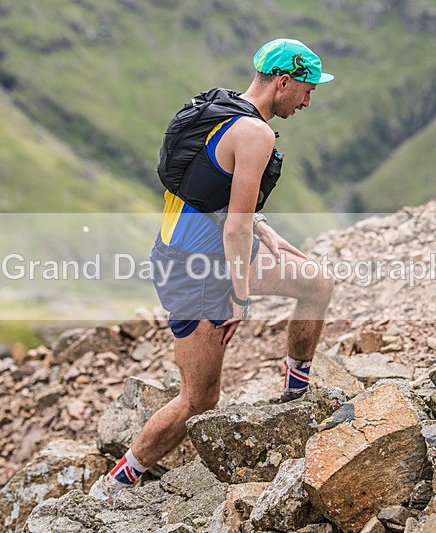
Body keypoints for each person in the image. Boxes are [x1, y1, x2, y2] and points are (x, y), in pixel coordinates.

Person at [89, 38, 335, 504]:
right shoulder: (256, 134)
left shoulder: (218, 108)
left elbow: (204, 186)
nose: (307, 102)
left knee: (317, 283)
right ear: (283, 82)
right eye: (307, 91)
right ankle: (115, 485)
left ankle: (297, 392)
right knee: (198, 399)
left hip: (195, 254)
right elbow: (234, 228)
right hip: (196, 272)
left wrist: (262, 227)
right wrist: (239, 297)